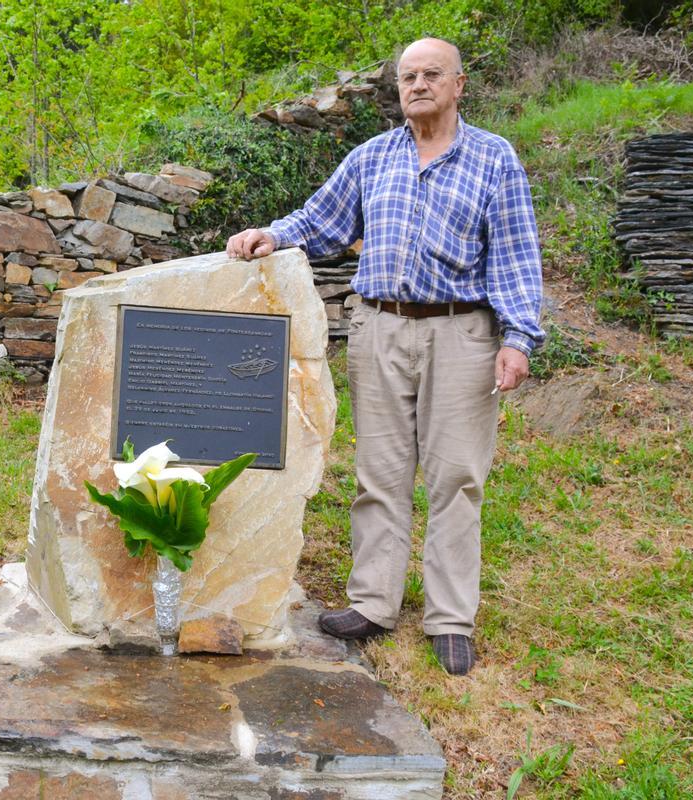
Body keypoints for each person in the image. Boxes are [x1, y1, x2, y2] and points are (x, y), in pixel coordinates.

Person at [226, 37, 544, 676]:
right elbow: (321, 220)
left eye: (431, 74)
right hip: (379, 329)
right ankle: (373, 603)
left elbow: (515, 255)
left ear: (459, 85)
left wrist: (517, 338)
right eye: (407, 76)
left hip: (462, 333)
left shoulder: (494, 159)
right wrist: (271, 234)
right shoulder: (372, 157)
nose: (418, 85)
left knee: (456, 476)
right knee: (381, 473)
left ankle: (450, 618)